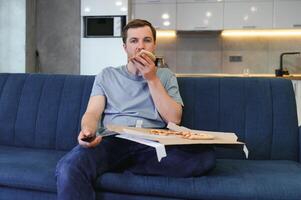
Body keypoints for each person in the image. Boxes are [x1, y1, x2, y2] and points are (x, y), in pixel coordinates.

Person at [56, 19, 216, 200]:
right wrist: (88, 130)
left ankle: (121, 164)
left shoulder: (166, 76)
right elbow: (92, 113)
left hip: (152, 145)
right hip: (112, 141)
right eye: (134, 41)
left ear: (154, 45)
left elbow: (174, 119)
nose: (140, 46)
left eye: (146, 40)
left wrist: (151, 78)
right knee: (68, 168)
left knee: (205, 157)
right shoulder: (107, 75)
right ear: (125, 47)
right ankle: (120, 161)